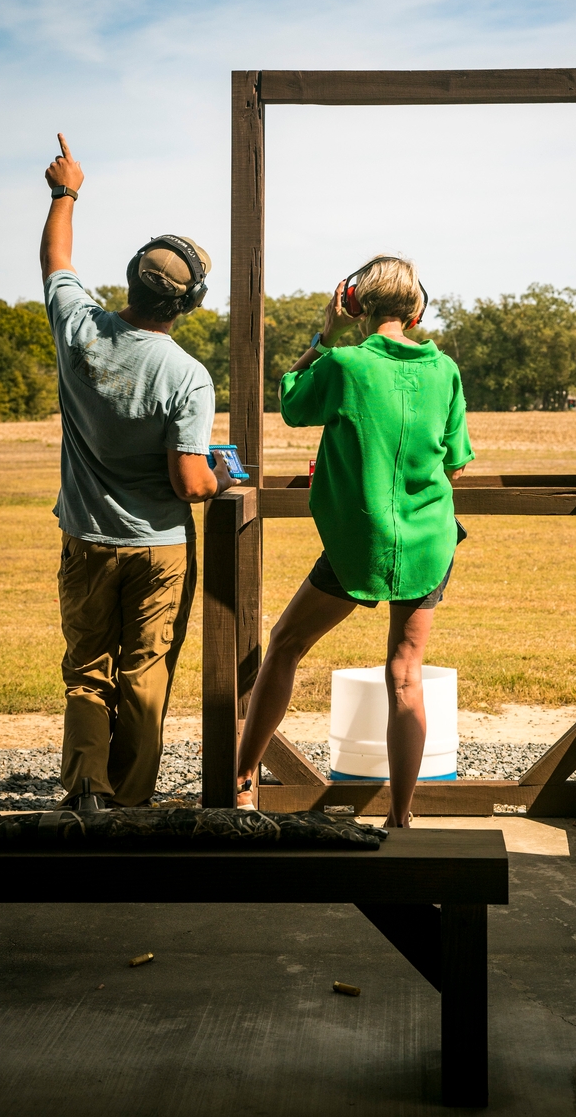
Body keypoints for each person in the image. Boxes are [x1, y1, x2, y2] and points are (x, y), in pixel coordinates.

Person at [235, 255, 474, 827]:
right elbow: (456, 465)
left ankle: (239, 779)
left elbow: (291, 401)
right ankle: (400, 817)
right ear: (416, 310)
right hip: (430, 541)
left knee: (286, 642)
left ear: (355, 305)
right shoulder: (445, 371)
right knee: (406, 673)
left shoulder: (343, 362)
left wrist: (324, 334)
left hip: (359, 543)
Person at [40, 133, 234, 809]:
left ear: (128, 277)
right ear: (190, 303)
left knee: (87, 673)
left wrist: (67, 191)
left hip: (86, 540)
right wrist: (222, 477)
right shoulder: (187, 376)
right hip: (158, 550)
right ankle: (130, 805)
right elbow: (190, 483)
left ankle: (84, 793)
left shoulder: (79, 329)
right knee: (143, 675)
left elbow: (56, 259)